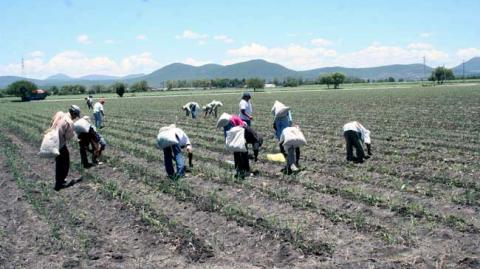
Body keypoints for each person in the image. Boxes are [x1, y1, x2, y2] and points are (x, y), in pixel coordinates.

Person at [50, 105, 81, 191]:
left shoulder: (60, 114)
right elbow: (68, 137)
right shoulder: (69, 122)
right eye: (76, 115)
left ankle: (60, 181)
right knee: (64, 163)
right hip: (59, 144)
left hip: (52, 140)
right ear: (74, 114)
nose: (75, 118)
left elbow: (51, 123)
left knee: (60, 162)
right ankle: (59, 184)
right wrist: (76, 137)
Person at [272, 102, 301, 173]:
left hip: (284, 137)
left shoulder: (277, 119)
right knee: (291, 150)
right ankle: (292, 165)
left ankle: (292, 165)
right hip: (287, 136)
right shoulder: (281, 118)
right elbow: (290, 122)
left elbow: (277, 129)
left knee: (287, 151)